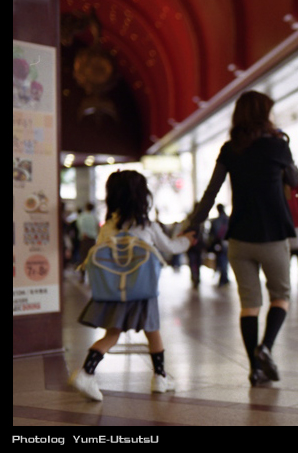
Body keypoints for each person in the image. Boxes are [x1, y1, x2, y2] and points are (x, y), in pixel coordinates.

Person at [186, 90, 298, 386]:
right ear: (264, 115)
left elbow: (211, 193)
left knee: (249, 305)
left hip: (239, 239)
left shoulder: (230, 149)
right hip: (273, 236)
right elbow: (295, 181)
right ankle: (266, 348)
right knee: (280, 296)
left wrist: (193, 224)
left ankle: (255, 369)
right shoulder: (277, 146)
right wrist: (283, 147)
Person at [69, 170, 195, 401]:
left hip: (115, 291)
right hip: (143, 290)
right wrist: (187, 240)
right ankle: (159, 377)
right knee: (153, 332)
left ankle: (87, 372)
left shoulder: (108, 226)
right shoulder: (147, 226)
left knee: (112, 334)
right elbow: (171, 247)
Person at [76, 202, 99, 282]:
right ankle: (92, 277)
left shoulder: (82, 216)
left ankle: (82, 276)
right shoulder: (94, 217)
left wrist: (84, 233)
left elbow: (80, 226)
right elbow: (98, 228)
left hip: (84, 240)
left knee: (83, 258)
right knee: (92, 258)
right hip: (93, 240)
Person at [208, 204, 230, 286]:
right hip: (228, 244)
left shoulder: (216, 221)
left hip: (219, 244)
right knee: (225, 261)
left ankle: (223, 278)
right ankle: (224, 277)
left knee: (221, 261)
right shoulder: (228, 219)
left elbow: (212, 234)